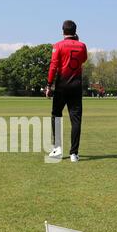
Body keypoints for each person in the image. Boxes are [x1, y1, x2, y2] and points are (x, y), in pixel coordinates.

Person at [45, 20, 88, 163]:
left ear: (63, 31)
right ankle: (74, 153)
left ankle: (57, 149)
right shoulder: (82, 46)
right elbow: (83, 59)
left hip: (62, 85)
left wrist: (48, 85)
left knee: (56, 115)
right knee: (76, 120)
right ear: (75, 31)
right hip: (76, 85)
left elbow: (53, 66)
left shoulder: (58, 46)